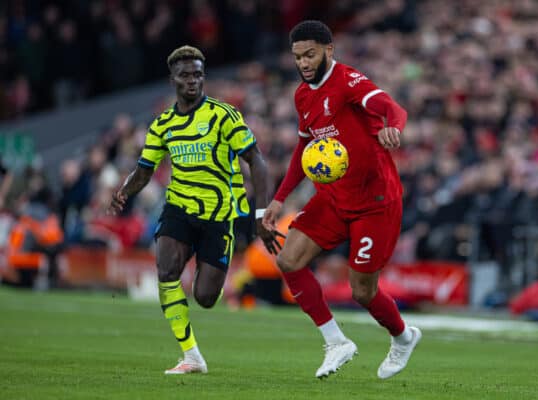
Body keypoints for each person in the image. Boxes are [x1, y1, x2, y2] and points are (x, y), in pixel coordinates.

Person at [108, 45, 282, 375]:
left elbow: (256, 160)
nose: (193, 81)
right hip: (180, 208)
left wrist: (260, 215)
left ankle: (211, 280)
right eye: (186, 75)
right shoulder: (162, 124)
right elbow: (145, 169)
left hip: (219, 215)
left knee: (204, 297)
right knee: (167, 270)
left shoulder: (223, 115)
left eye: (198, 75)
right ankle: (191, 355)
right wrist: (123, 193)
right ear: (172, 79)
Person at [262, 20, 421, 379]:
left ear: (328, 51)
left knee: (363, 292)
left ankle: (403, 337)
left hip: (374, 201)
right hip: (333, 197)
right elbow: (305, 147)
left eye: (310, 54)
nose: (303, 63)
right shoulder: (302, 95)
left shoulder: (348, 81)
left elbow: (390, 106)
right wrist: (279, 198)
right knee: (288, 260)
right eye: (297, 57)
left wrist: (394, 126)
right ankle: (336, 342)